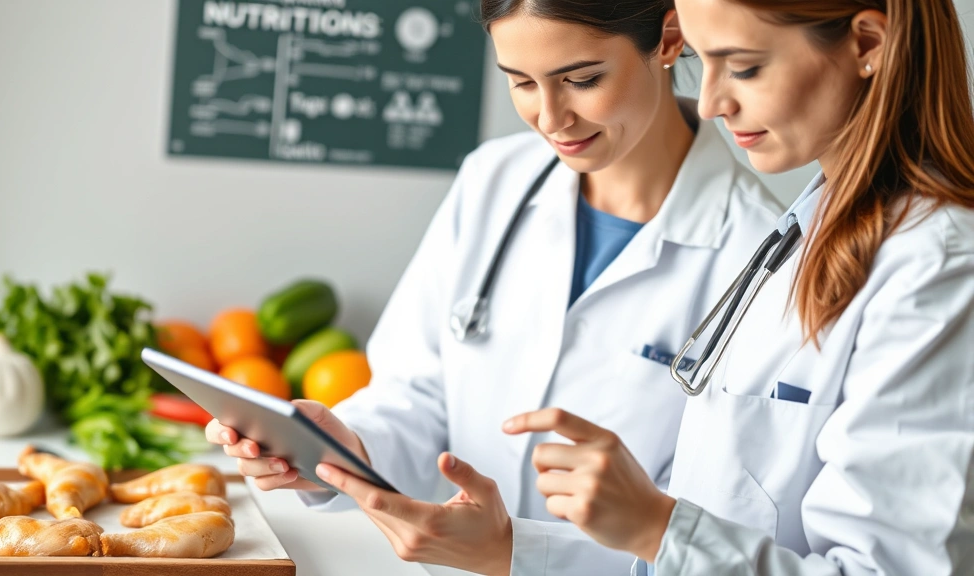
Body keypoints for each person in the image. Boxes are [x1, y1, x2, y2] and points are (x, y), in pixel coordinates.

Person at [209, 0, 782, 573]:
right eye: (522, 83)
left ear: (668, 38)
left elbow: (710, 532)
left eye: (582, 80)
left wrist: (522, 554)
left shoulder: (766, 258)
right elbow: (418, 389)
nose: (552, 118)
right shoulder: (494, 180)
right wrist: (349, 449)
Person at [504, 0, 974, 573]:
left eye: (744, 67)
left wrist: (656, 526)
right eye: (704, 62)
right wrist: (508, 549)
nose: (709, 103)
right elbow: (730, 529)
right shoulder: (807, 231)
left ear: (867, 46)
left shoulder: (940, 266)